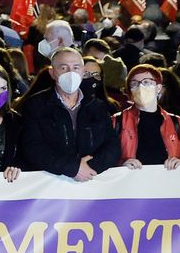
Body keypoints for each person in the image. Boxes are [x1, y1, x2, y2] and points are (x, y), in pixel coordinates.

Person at [19, 47, 120, 181]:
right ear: (52, 72)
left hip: (91, 181)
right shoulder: (35, 105)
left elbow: (112, 145)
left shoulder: (97, 106)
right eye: (63, 68)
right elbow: (33, 147)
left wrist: (90, 168)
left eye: (76, 67)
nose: (71, 73)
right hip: (50, 183)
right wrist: (72, 168)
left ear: (83, 72)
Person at [115, 65, 180, 170]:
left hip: (167, 183)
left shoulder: (176, 122)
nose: (141, 87)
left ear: (158, 88)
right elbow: (105, 159)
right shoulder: (117, 121)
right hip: (131, 183)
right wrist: (121, 165)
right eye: (134, 84)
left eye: (147, 82)